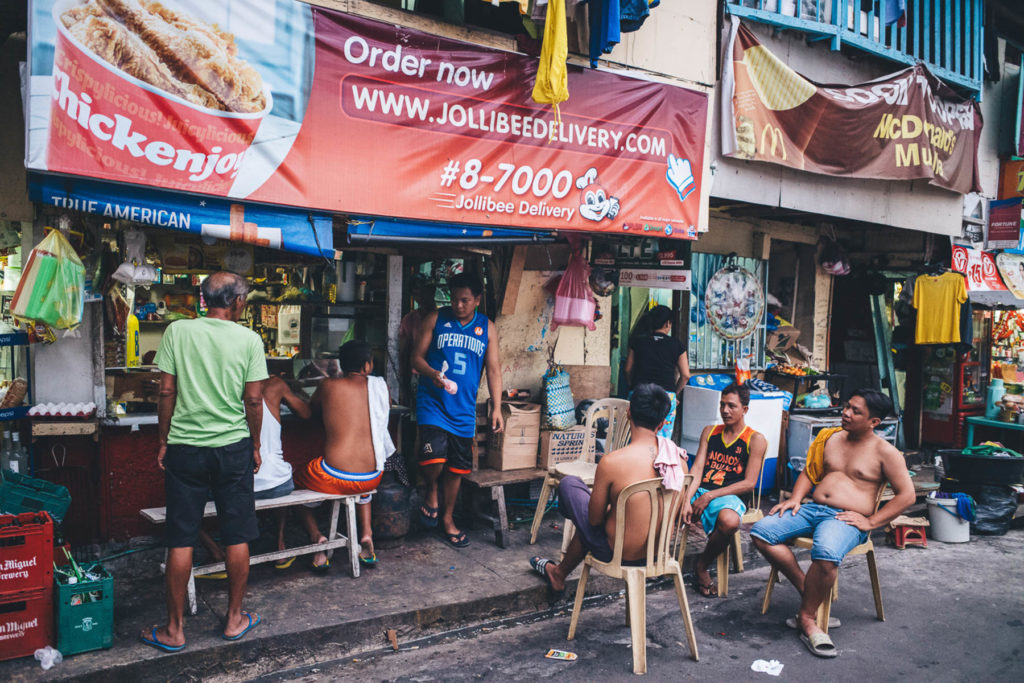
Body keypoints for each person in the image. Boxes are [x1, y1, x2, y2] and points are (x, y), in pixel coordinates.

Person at [143, 272, 267, 651]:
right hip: (233, 448)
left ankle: (174, 630)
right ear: (238, 302)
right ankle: (233, 620)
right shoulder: (250, 340)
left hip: (185, 448)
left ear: (202, 299)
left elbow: (167, 391)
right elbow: (253, 401)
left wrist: (163, 440)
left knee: (180, 536)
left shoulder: (178, 332)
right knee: (237, 533)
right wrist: (256, 444)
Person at [750, 389, 915, 659]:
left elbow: (907, 495)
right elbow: (809, 471)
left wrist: (871, 520)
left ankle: (807, 617)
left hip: (846, 517)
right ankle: (810, 593)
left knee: (825, 556)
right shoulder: (830, 438)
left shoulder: (887, 452)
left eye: (855, 411)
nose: (846, 413)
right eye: (847, 407)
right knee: (761, 532)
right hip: (812, 508)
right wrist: (796, 498)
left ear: (874, 421)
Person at [527, 384, 686, 594]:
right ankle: (557, 573)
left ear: (628, 413)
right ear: (663, 422)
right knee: (599, 515)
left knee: (569, 485)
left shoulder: (612, 462)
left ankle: (557, 573)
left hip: (616, 553)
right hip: (659, 553)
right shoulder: (678, 460)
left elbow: (594, 520)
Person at [413, 273, 503, 548]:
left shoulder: (486, 328)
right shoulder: (436, 319)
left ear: (477, 300)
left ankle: (448, 519)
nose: (459, 305)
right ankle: (431, 490)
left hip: (463, 410)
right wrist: (431, 373)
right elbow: (415, 358)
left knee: (457, 468)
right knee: (435, 459)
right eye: (454, 299)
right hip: (433, 403)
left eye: (465, 300)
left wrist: (497, 407)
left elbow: (494, 369)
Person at [197, 373, 312, 573]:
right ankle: (280, 545)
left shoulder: (218, 386)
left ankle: (217, 553)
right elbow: (306, 413)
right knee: (278, 473)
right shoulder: (275, 385)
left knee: (185, 500)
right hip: (278, 486)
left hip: (235, 487)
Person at [295, 340, 395, 570]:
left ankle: (317, 538)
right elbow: (385, 408)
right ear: (368, 366)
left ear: (341, 364)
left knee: (293, 482)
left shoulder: (329, 386)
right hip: (372, 476)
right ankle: (367, 534)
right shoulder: (380, 387)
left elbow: (311, 410)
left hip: (335, 476)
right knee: (362, 489)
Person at [683, 383, 767, 597]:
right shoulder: (710, 432)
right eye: (722, 405)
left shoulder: (755, 439)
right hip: (703, 490)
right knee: (665, 505)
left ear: (745, 409)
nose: (725, 410)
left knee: (729, 522)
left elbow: (749, 482)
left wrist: (710, 495)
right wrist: (686, 499)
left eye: (732, 406)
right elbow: (698, 468)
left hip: (730, 496)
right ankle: (657, 565)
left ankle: (701, 566)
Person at [624, 305, 690, 438]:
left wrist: (634, 387)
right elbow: (685, 375)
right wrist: (673, 393)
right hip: (665, 397)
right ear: (667, 323)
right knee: (662, 440)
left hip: (639, 393)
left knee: (635, 436)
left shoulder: (638, 342)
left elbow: (627, 369)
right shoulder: (676, 344)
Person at [398, 279, 437, 406]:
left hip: (440, 373)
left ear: (432, 292)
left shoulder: (443, 318)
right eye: (416, 294)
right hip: (418, 374)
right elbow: (403, 354)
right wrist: (403, 385)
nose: (420, 298)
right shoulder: (409, 320)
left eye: (423, 293)